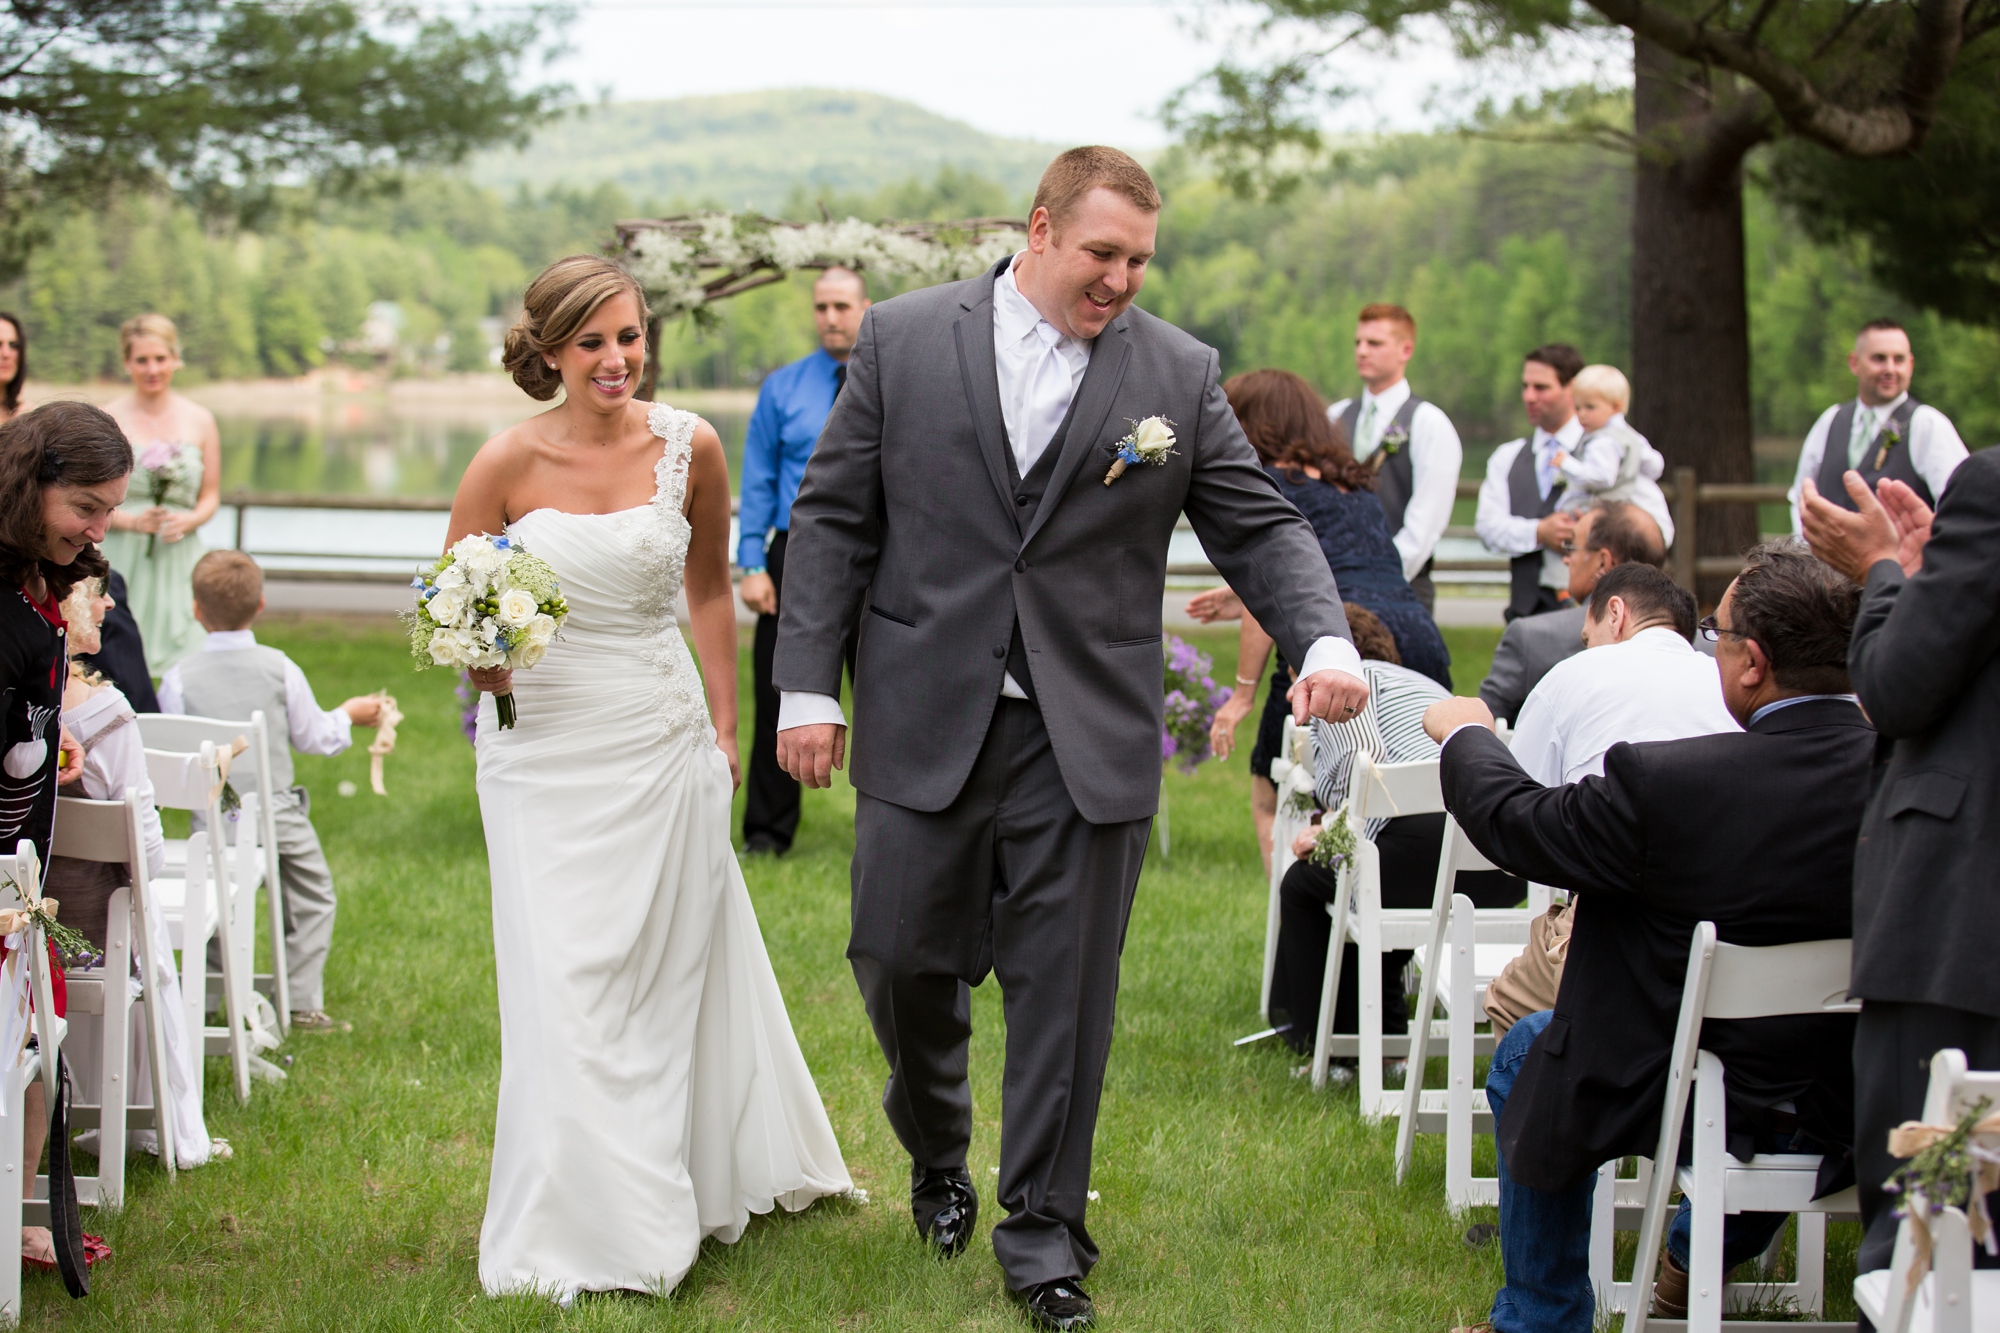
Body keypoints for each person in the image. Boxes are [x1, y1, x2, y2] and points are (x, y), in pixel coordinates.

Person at [774, 147, 1367, 1332]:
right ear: (1039, 229)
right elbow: (833, 518)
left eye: (1138, 260)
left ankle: (1043, 1235)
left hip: (1083, 729)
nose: (1120, 279)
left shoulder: (1174, 371)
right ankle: (937, 1149)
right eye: (1102, 252)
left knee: (1067, 993)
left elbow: (1260, 527)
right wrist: (805, 688)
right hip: (923, 708)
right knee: (896, 956)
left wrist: (1322, 640)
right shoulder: (901, 340)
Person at [452, 255, 850, 1302]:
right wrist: (482, 661)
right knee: (560, 981)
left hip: (656, 732)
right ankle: (571, 1214)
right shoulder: (502, 461)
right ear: (550, 352)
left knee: (655, 977)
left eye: (628, 337)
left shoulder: (690, 445)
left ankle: (659, 1189)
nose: (616, 359)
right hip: (538, 750)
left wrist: (726, 725)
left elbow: (709, 590)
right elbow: (456, 604)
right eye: (591, 342)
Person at [1428, 540, 1872, 1333]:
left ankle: (1541, 1317)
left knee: (1531, 1048)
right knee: (1766, 1097)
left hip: (1692, 1082)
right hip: (1858, 1088)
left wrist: (1469, 735)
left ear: (1753, 663)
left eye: (1717, 634)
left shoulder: (1673, 784)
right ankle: (1689, 1254)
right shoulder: (1911, 776)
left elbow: (1519, 824)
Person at [1799, 453, 2000, 1312]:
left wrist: (1883, 575)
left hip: (1960, 921)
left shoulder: (1990, 488)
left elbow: (1897, 686)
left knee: (1931, 1212)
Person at [1209, 369, 1452, 875]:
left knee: (1274, 793)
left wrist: (1242, 694)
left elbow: (1273, 588)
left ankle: (1298, 904)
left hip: (1336, 638)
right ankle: (1395, 910)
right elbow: (1352, 559)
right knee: (1412, 790)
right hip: (1416, 636)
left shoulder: (1268, 484)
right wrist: (1237, 594)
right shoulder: (1356, 484)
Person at [1263, 604, 1520, 1076]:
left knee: (1308, 882)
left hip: (1424, 843)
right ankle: (1389, 1045)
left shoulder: (1342, 689)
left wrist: (1331, 834)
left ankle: (1331, 1050)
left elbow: (1362, 765)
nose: (1291, 683)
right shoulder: (1425, 686)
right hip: (1501, 862)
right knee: (1371, 877)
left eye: (1292, 668)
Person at [0, 400, 131, 1276]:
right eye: (85, 505)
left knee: (34, 1039)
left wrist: (44, 743)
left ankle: (14, 1214)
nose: (98, 528)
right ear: (28, 483)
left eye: (111, 509)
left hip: (21, 872)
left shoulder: (35, 582)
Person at [157, 549, 386, 1035]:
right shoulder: (280, 668)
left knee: (215, 902)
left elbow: (177, 752)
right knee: (312, 895)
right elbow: (315, 737)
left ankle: (209, 995)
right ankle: (299, 1001)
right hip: (277, 815)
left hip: (213, 819)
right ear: (261, 604)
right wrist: (348, 714)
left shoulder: (178, 678)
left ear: (196, 609)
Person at [48, 575, 221, 1171]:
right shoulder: (104, 712)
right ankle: (167, 1124)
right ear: (65, 604)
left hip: (33, 936)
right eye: (97, 591)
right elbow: (145, 848)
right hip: (96, 941)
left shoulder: (21, 704)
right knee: (143, 913)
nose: (110, 603)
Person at [737, 267, 870, 857]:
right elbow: (757, 479)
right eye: (821, 307)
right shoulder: (782, 388)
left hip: (879, 557)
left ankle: (897, 829)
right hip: (794, 555)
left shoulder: (893, 380)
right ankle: (767, 836)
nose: (830, 317)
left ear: (866, 306)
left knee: (890, 698)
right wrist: (751, 564)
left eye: (841, 305)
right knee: (779, 694)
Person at [1509, 562, 1735, 787]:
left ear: (1615, 614)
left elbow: (1518, 796)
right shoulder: (1728, 685)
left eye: (1587, 639)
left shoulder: (1568, 677)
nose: (1588, 649)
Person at [101, 313, 222, 674]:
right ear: (127, 363)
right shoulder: (107, 418)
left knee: (189, 657)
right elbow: (88, 498)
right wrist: (133, 522)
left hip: (178, 550)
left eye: (160, 358)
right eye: (142, 360)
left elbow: (211, 495)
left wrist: (190, 519)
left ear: (175, 360)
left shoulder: (200, 419)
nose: (152, 369)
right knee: (112, 657)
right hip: (122, 549)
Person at [1324, 304, 1463, 611]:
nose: (1362, 351)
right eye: (1358, 342)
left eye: (1374, 343)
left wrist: (1374, 580)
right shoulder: (1334, 416)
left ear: (1405, 350)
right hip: (1331, 588)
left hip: (1401, 590)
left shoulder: (1429, 424)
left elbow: (1425, 524)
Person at [1477, 500, 1666, 723]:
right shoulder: (1696, 644)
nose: (1566, 559)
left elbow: (1479, 727)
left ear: (1603, 562)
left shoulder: (1530, 639)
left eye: (1572, 547)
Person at [1787, 318, 1968, 533]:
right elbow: (1800, 497)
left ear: (1910, 364)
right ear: (1854, 363)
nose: (1890, 369)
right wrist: (1806, 547)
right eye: (1879, 358)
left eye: (1898, 359)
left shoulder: (1927, 424)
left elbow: (1963, 506)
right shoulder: (1830, 420)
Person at [1476, 344, 1587, 621]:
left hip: (1592, 616)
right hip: (1523, 615)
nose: (1529, 396)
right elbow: (1487, 527)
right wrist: (1539, 532)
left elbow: (1656, 530)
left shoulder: (1605, 452)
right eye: (1525, 387)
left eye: (1541, 388)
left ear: (1572, 388)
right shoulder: (1507, 456)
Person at [1550, 364, 1674, 543]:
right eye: (1577, 408)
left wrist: (1567, 464)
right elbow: (1655, 465)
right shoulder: (1630, 435)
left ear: (1616, 407)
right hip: (1644, 509)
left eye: (1590, 407)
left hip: (1620, 511)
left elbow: (1602, 477)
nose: (1581, 414)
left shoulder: (1603, 441)